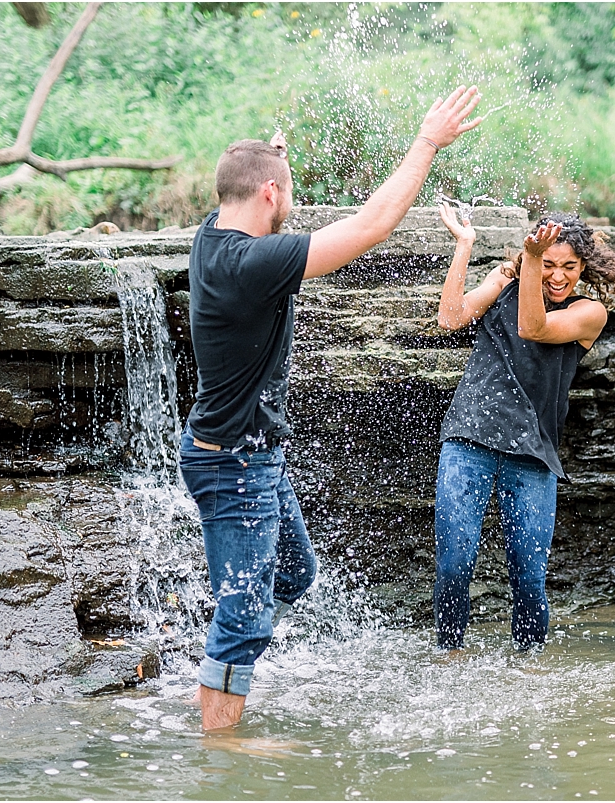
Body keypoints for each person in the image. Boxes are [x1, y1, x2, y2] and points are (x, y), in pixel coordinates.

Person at [181, 86, 482, 730]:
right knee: (244, 613)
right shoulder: (253, 262)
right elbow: (373, 227)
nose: (288, 200)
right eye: (284, 189)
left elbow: (255, 184)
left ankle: (221, 676)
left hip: (252, 457)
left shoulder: (213, 237)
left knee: (293, 574)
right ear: (269, 196)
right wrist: (426, 143)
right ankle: (220, 743)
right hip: (234, 467)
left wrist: (273, 161)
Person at [433, 205, 615, 651]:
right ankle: (448, 656)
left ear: (583, 268)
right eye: (548, 263)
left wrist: (531, 261)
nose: (557, 276)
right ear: (534, 255)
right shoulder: (504, 283)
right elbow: (450, 318)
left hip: (533, 451)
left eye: (568, 267)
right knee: (454, 562)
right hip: (470, 434)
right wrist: (465, 246)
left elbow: (533, 327)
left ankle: (530, 664)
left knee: (529, 576)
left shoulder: (590, 313)